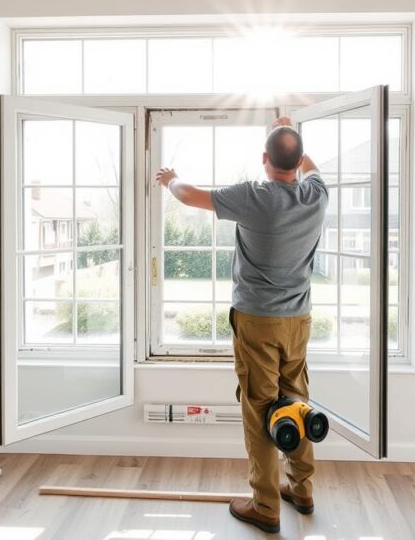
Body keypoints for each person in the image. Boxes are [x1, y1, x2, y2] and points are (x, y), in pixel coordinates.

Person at [155, 116, 328, 533]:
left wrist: (170, 178)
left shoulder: (254, 197)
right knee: (296, 403)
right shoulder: (316, 196)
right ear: (299, 159)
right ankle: (301, 489)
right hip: (298, 320)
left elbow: (189, 195)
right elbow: (313, 168)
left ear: (264, 159)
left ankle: (265, 505)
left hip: (257, 321)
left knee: (260, 409)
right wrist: (292, 135)